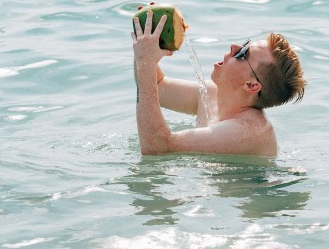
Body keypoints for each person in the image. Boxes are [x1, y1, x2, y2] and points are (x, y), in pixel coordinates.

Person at [131, 9, 306, 156]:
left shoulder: (248, 132)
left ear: (251, 85)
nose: (233, 46)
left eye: (243, 53)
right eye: (245, 44)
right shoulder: (212, 93)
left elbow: (156, 147)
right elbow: (157, 85)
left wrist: (146, 62)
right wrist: (148, 42)